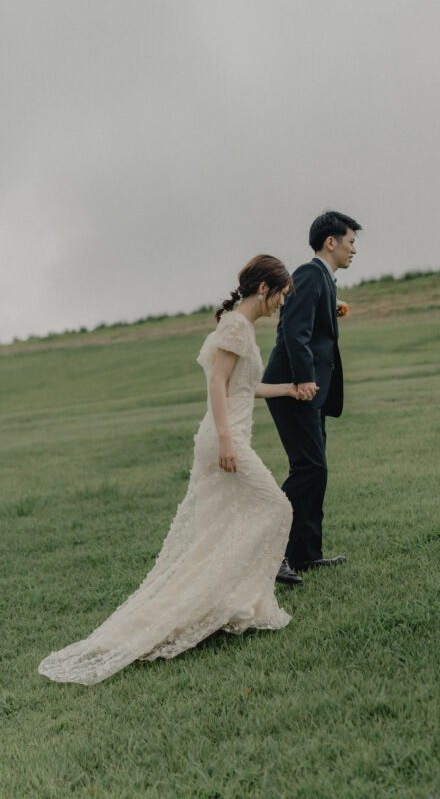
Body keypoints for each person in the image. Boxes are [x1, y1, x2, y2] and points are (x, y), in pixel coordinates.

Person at [38, 255, 304, 686]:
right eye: (281, 295)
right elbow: (216, 384)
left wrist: (288, 390)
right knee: (278, 508)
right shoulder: (237, 326)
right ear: (263, 289)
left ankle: (228, 603)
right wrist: (226, 439)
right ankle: (224, 600)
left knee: (219, 529)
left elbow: (243, 386)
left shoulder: (241, 326)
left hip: (231, 436)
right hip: (226, 440)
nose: (282, 303)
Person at [263, 211, 362, 582]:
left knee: (314, 471)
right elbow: (294, 330)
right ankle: (272, 555)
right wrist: (304, 379)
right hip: (294, 389)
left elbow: (308, 320)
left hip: (311, 391)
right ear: (331, 242)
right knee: (309, 469)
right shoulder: (308, 273)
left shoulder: (323, 279)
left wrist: (332, 309)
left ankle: (305, 555)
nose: (354, 250)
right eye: (351, 242)